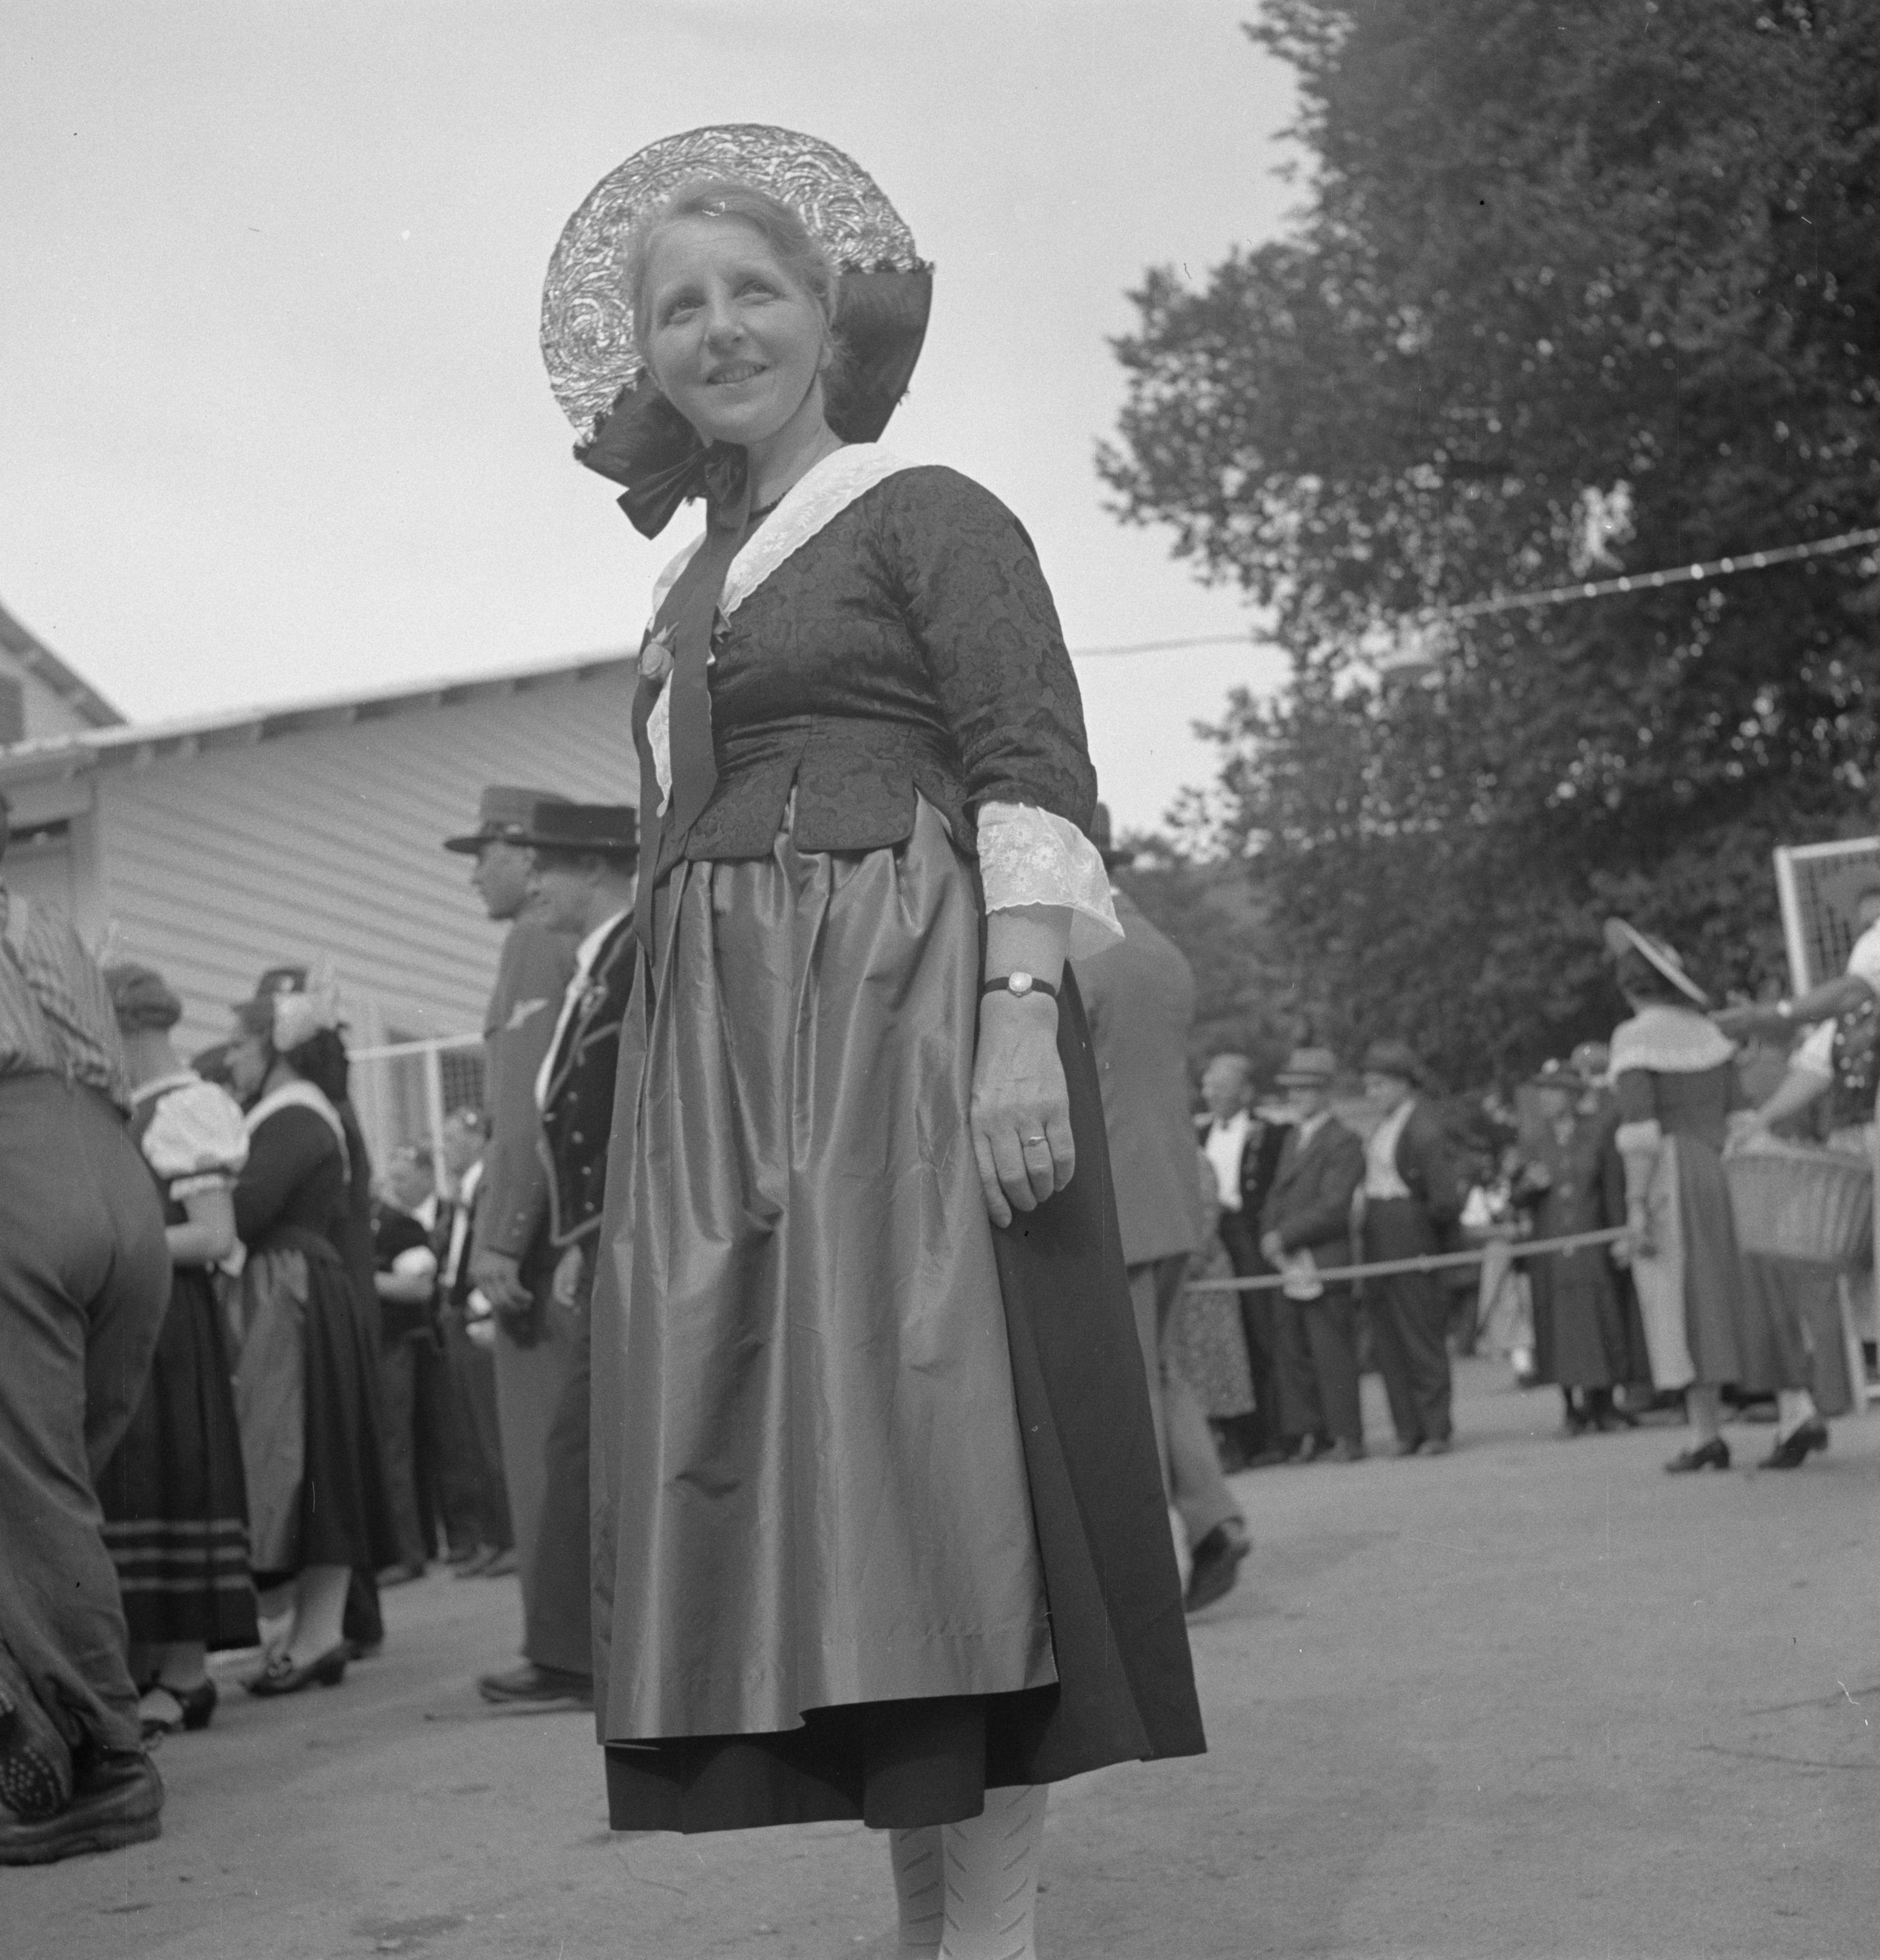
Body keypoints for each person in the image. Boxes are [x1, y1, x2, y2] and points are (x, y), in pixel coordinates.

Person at [546, 132, 1201, 1956]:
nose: (720, 328)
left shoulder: (927, 511)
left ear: (830, 316)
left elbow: (1029, 764)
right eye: (680, 306)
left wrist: (1016, 1023)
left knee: (941, 1480)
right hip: (737, 1072)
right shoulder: (691, 581)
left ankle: (990, 1939)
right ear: (648, 354)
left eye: (753, 290)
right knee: (842, 1524)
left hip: (897, 1032)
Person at [0, 797, 171, 1864]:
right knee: (55, 1487)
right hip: (117, 1172)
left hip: (16, 1178)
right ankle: (65, 1727)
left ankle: (103, 1758)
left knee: (27, 1493)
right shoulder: (40, 917)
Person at [1077, 804, 1251, 1615]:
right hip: (1174, 1197)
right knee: (1163, 1371)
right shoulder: (1158, 949)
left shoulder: (1072, 950)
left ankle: (1141, 1569)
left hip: (1113, 1199)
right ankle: (1213, 1518)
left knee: (1126, 1385)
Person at [445, 787, 586, 1709]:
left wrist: (501, 1238)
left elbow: (528, 1111)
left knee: (544, 1454)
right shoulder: (553, 942)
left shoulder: (534, 943)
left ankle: (565, 1651)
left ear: (527, 856)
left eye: (484, 854)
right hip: (557, 1228)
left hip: (537, 1242)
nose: (475, 875)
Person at [498, 801, 642, 1705]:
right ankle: (575, 1650)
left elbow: (622, 1103)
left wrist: (597, 1234)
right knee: (583, 1438)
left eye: (544, 866)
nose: (532, 884)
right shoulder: (601, 964)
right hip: (600, 1233)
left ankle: (577, 1656)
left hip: (624, 1232)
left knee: (586, 1439)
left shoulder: (630, 955)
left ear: (593, 867)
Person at [95, 963, 257, 1739]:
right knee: (132, 1481)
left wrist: (115, 1249)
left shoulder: (187, 1106)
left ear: (124, 1025)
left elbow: (215, 1234)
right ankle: (143, 1665)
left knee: (174, 1474)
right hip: (133, 1321)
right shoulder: (125, 1108)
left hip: (173, 1324)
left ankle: (187, 1674)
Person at [225, 977, 398, 1690]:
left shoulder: (293, 1116)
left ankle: (319, 1632)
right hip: (297, 1290)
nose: (231, 1059)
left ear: (277, 1050)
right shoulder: (301, 1113)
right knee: (309, 1459)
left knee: (310, 1458)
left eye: (240, 1045)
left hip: (294, 1294)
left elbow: (246, 1209)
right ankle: (312, 1631)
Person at [1604, 919, 1776, 1472]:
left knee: (1678, 1298)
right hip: (1726, 1170)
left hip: (1673, 1175)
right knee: (1736, 1290)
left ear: (1629, 986)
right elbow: (1741, 1116)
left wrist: (1634, 1206)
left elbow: (1640, 1132)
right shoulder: (1709, 1035)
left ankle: (1706, 1434)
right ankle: (1786, 1412)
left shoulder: (1633, 1038)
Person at [1730, 1013, 1865, 1465]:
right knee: (1822, 1305)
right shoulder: (1810, 1073)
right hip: (1819, 1197)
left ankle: (1796, 1413)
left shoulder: (1746, 1077)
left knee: (1771, 1308)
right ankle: (1828, 1399)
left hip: (1759, 1198)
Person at [1512, 1058, 1637, 1437]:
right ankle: (1571, 1407)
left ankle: (1604, 1404)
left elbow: (1612, 1187)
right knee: (1558, 1324)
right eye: (1543, 1091)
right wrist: (1528, 1186)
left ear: (1572, 1095)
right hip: (1551, 1246)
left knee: (1601, 1318)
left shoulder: (1597, 1133)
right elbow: (1515, 1197)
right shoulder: (1534, 1140)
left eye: (1555, 1091)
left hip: (1590, 1241)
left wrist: (1619, 1234)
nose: (1547, 1099)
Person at [1260, 1046, 1368, 1462]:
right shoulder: (1293, 1138)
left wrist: (1283, 1236)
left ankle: (1346, 1435)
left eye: (1304, 1089)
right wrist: (1270, 1233)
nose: (1295, 1097)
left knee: (1331, 1352)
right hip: (1287, 1261)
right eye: (1291, 1089)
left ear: (1325, 1092)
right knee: (1294, 1351)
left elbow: (1334, 1205)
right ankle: (1309, 1432)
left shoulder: (1343, 1140)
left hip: (1323, 1258)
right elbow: (1277, 1194)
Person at [1358, 1039, 1464, 1456]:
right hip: (1379, 1235)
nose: (1372, 1094)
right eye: (1368, 1086)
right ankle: (1408, 1429)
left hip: (1411, 1235)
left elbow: (1444, 1199)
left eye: (1380, 1085)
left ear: (1404, 1083)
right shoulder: (1383, 1126)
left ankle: (1435, 1428)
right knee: (1390, 1341)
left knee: (1420, 1338)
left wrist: (1425, 1238)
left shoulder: (1423, 1127)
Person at [1198, 1050, 1291, 1464]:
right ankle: (1237, 1440)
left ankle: (1274, 1437)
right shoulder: (1199, 1134)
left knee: (1260, 1332)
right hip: (1212, 1241)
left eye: (1221, 1086)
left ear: (1246, 1092)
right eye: (1207, 1086)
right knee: (1222, 1341)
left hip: (1249, 1237)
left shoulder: (1271, 1134)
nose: (1211, 1094)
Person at [433, 1108, 515, 1575]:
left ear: (475, 1139)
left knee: (490, 1434)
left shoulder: (487, 1187)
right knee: (469, 1436)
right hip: (458, 1318)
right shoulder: (463, 1193)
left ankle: (509, 1537)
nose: (444, 1150)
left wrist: (482, 1310)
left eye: (451, 1140)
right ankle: (492, 1537)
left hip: (478, 1321)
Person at [372, 1143, 448, 1585]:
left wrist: (363, 1280)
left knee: (394, 1448)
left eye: (403, 1177)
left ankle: (408, 1551)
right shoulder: (382, 1223)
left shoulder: (401, 1228)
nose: (394, 1186)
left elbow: (418, 1289)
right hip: (385, 1348)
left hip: (395, 1348)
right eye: (393, 1177)